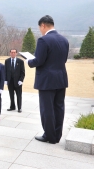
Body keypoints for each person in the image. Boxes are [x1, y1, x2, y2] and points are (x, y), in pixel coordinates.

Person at [27, 15, 69, 144]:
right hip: (60, 78)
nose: (40, 30)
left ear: (43, 25)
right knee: (59, 107)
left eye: (40, 27)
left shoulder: (43, 40)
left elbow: (39, 60)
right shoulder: (64, 40)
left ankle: (49, 136)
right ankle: (56, 135)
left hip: (47, 80)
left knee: (47, 109)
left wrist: (29, 61)